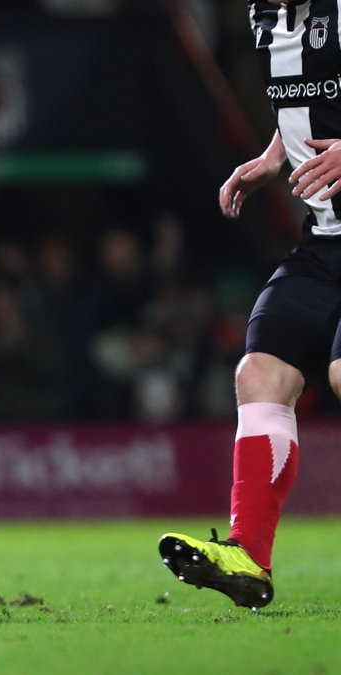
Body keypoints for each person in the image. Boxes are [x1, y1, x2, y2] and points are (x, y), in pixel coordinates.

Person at [159, 0, 341, 609]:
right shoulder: (265, 19)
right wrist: (274, 153)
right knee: (260, 373)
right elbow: (306, 97)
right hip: (323, 243)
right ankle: (248, 555)